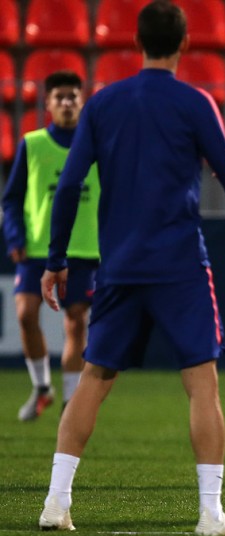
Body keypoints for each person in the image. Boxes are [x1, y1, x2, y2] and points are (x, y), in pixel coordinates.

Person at [36, 1, 225, 535]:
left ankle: (56, 503)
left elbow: (67, 187)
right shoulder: (195, 102)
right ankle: (209, 514)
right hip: (179, 263)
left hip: (120, 265)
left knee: (94, 377)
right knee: (202, 384)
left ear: (136, 43)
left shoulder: (103, 104)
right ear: (184, 45)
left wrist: (56, 260)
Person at [2, 71, 99, 422]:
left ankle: (70, 403)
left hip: (84, 249)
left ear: (82, 101)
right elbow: (11, 199)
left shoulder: (96, 146)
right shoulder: (33, 144)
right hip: (37, 248)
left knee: (76, 322)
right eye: (60, 97)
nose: (67, 102)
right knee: (26, 314)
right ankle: (42, 387)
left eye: (73, 96)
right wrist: (15, 237)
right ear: (47, 103)